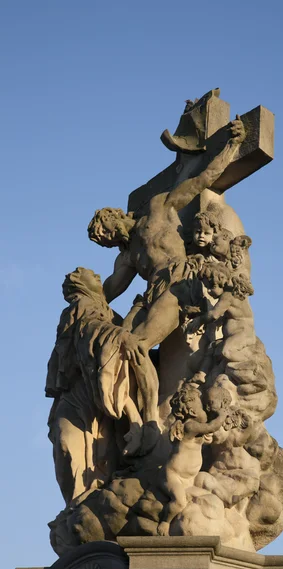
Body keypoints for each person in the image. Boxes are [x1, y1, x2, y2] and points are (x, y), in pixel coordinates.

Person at [87, 117, 246, 371]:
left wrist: (233, 144)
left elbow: (203, 179)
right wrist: (83, 303)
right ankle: (131, 408)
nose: (111, 239)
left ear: (116, 216)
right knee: (117, 343)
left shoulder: (157, 207)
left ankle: (150, 410)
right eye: (106, 241)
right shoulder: (127, 256)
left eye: (107, 230)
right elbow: (108, 292)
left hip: (178, 283)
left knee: (138, 344)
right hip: (152, 293)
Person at [46, 268, 154, 503]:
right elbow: (91, 329)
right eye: (89, 276)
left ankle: (87, 508)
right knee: (68, 445)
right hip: (76, 396)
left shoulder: (105, 311)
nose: (97, 277)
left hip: (94, 401)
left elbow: (108, 331)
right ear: (79, 286)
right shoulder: (81, 304)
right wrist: (121, 336)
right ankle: (77, 507)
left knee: (103, 455)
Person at [157, 383, 228, 535]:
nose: (204, 407)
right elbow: (211, 427)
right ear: (191, 410)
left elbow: (208, 433)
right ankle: (165, 522)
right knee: (179, 503)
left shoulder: (197, 429)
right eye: (200, 405)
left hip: (189, 480)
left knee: (208, 497)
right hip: (173, 475)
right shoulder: (190, 426)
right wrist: (222, 415)